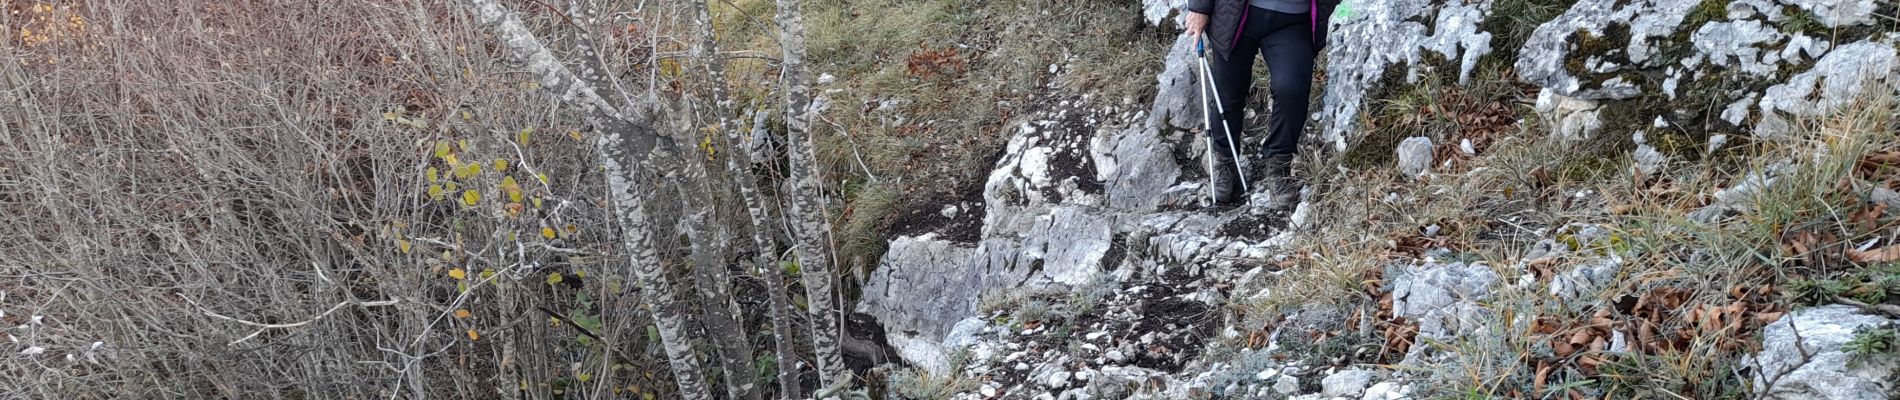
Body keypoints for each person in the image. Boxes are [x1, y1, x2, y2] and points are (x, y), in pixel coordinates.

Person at [1185, 0, 1335, 206]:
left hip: (1293, 22)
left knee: (1292, 89)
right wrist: (1199, 8)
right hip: (1235, 16)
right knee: (1229, 94)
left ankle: (1278, 167)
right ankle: (1225, 164)